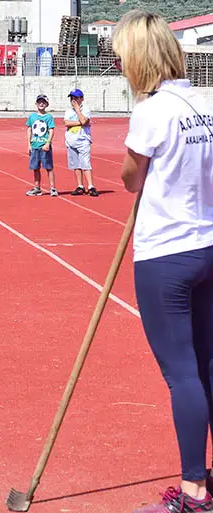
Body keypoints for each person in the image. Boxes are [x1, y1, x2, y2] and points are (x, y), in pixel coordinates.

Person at [114, 10, 213, 513]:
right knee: (209, 365)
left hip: (166, 255)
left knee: (182, 373)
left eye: (121, 56)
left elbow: (133, 177)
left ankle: (194, 492)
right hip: (208, 247)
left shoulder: (151, 110)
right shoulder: (204, 103)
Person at [64, 88, 98, 196]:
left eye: (75, 98)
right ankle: (80, 186)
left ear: (81, 99)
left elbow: (84, 120)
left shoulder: (85, 109)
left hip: (83, 140)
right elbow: (67, 123)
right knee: (76, 165)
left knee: (85, 163)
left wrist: (78, 110)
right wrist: (80, 123)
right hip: (71, 140)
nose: (73, 100)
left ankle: (91, 186)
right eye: (71, 98)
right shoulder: (68, 111)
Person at [25, 94, 56, 197]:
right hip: (35, 146)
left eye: (43, 102)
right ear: (36, 104)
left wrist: (48, 143)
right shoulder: (32, 117)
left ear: (47, 104)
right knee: (35, 167)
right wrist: (29, 144)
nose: (41, 104)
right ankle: (37, 187)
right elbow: (29, 130)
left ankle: (52, 188)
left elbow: (51, 130)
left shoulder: (49, 117)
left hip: (44, 146)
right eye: (39, 102)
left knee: (48, 167)